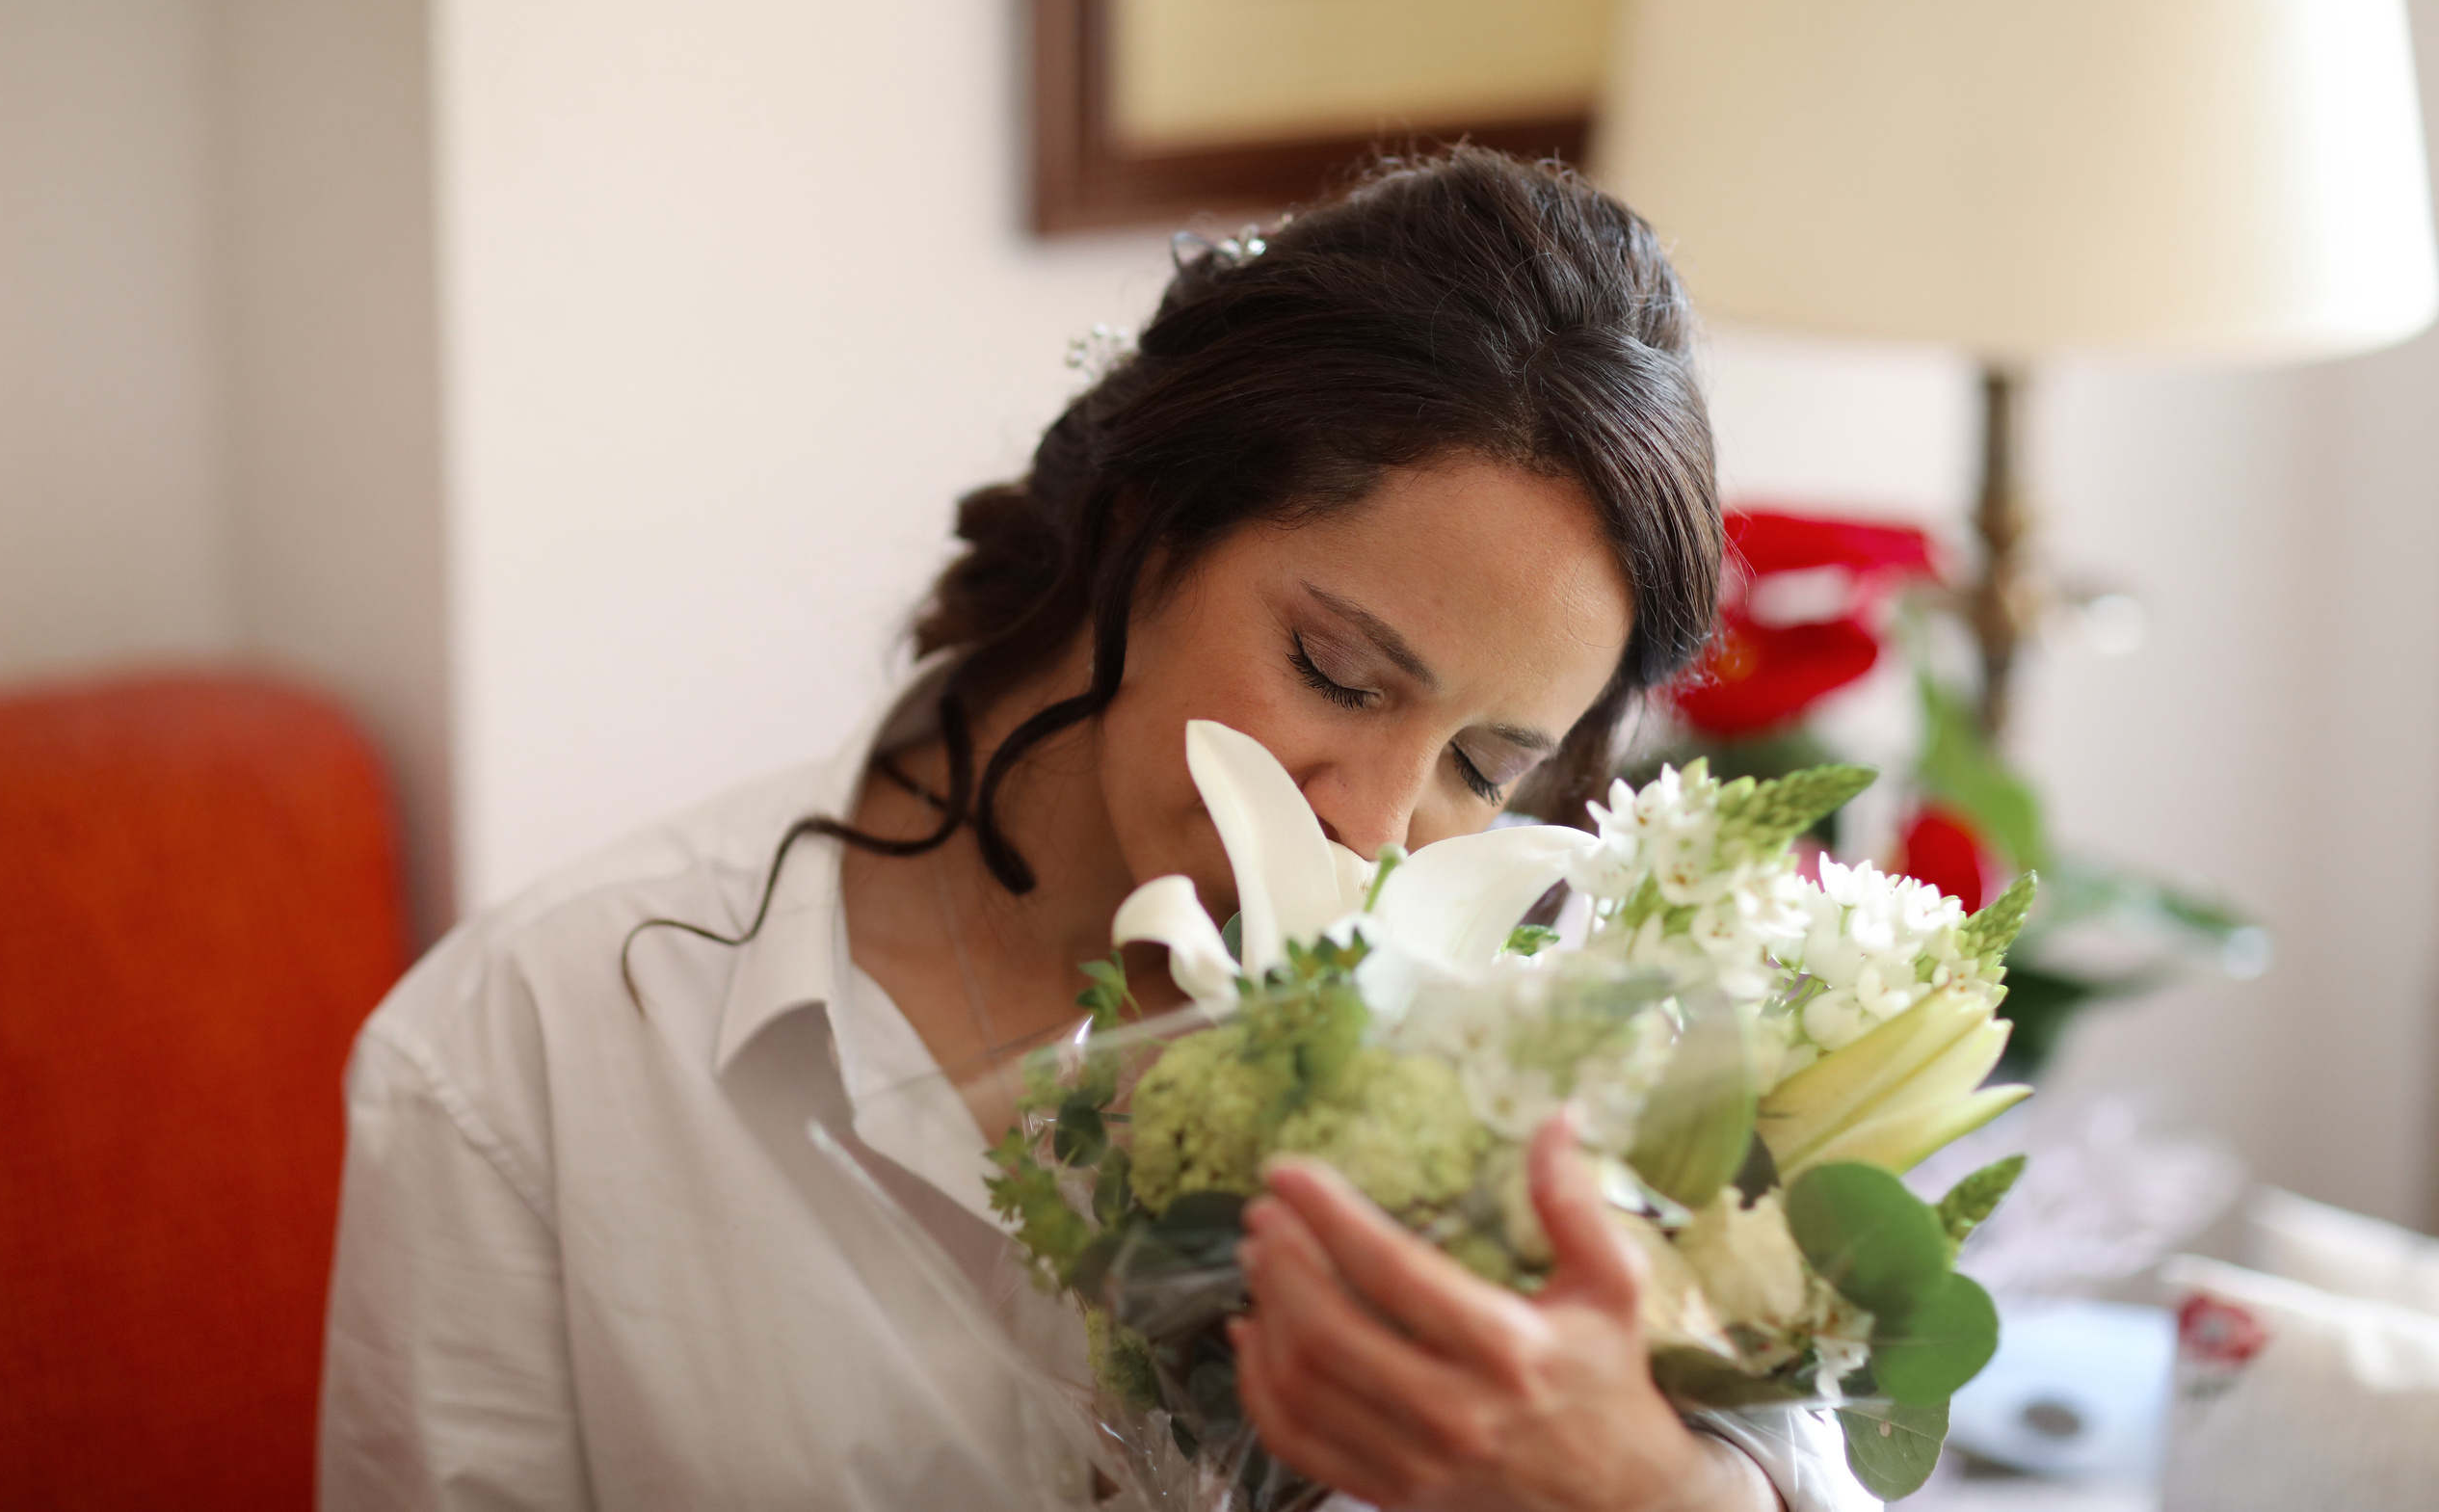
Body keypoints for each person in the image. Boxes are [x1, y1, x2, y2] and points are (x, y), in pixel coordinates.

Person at [319, 147, 1875, 1511]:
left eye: (1484, 762)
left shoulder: (1581, 1063)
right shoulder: (529, 1056)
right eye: (1335, 671)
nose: (1372, 841)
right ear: (1141, 522)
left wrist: (1659, 1495)